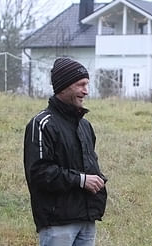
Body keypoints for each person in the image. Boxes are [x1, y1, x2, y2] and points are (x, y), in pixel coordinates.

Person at [23, 57, 107, 246]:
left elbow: (89, 164)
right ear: (64, 86)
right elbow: (39, 173)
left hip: (86, 220)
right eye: (81, 85)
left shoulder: (85, 126)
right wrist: (82, 180)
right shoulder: (41, 124)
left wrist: (98, 181)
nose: (86, 91)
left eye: (87, 84)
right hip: (57, 224)